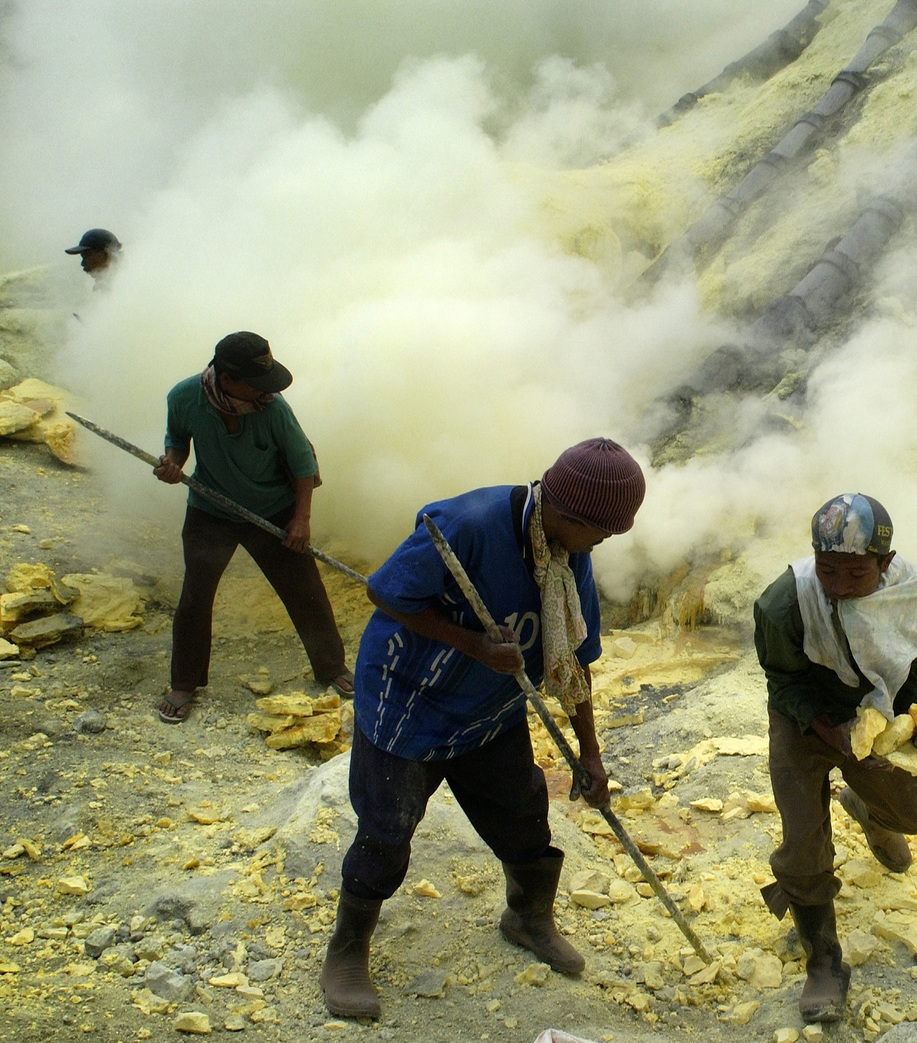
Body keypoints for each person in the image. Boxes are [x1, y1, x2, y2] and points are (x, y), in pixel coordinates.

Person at [319, 438, 646, 1020]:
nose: (605, 543)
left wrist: (589, 755)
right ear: (570, 514)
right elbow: (384, 591)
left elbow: (574, 656)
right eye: (603, 532)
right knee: (387, 830)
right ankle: (347, 950)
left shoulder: (566, 557)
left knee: (523, 817)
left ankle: (527, 918)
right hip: (409, 706)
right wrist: (470, 642)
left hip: (487, 713)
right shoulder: (466, 525)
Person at [754, 493, 917, 1022]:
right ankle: (824, 962)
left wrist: (909, 723)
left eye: (854, 574)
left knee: (914, 811)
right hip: (804, 720)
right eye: (827, 569)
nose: (836, 585)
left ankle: (870, 811)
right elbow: (781, 678)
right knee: (804, 838)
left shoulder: (906, 591)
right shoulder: (785, 602)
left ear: (884, 564)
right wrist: (825, 728)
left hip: (874, 713)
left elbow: (909, 658)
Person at [153, 331, 350, 722]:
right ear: (226, 379)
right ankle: (183, 683)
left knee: (304, 590)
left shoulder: (273, 410)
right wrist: (172, 464)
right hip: (212, 510)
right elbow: (177, 441)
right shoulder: (183, 397)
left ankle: (332, 668)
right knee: (195, 596)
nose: (266, 392)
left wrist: (301, 520)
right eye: (256, 385)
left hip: (273, 510)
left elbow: (304, 466)